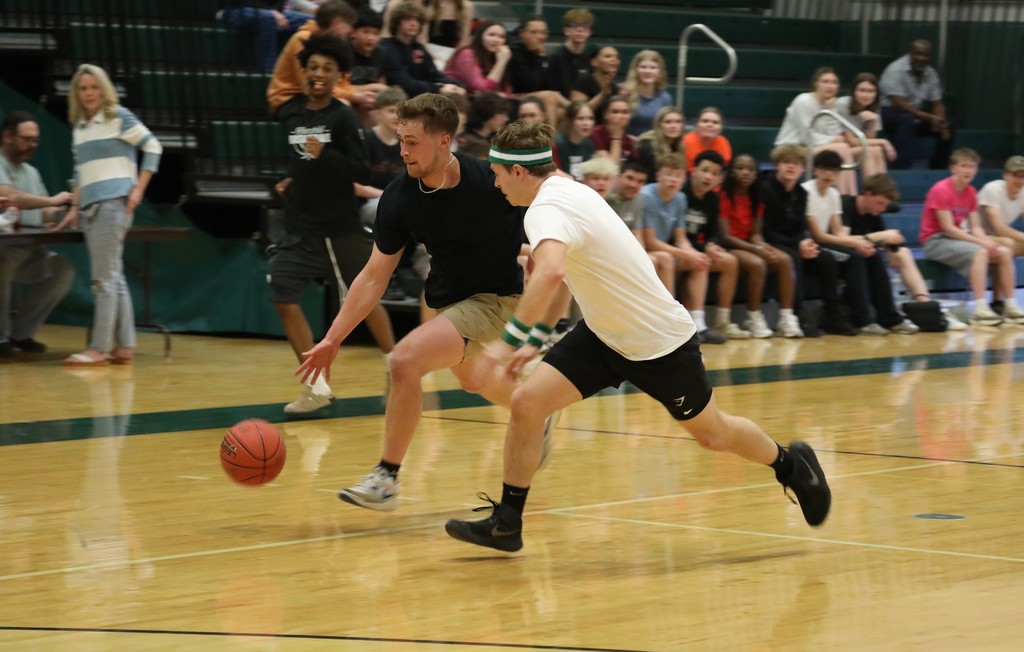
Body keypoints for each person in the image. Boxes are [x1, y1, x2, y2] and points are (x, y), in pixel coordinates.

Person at [442, 120, 831, 553]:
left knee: (713, 435)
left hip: (657, 342)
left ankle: (792, 466)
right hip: (603, 334)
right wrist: (540, 335)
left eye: (497, 175)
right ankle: (507, 523)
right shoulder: (565, 188)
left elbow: (549, 271)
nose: (495, 185)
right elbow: (563, 273)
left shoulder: (545, 209)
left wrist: (508, 342)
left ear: (518, 172)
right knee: (527, 403)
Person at [297, 93, 562, 511]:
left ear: (444, 141)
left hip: (497, 298)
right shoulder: (399, 197)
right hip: (448, 300)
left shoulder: (492, 181)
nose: (403, 151)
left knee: (404, 360)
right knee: (474, 381)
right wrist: (332, 339)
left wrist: (544, 263)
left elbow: (549, 208)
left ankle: (386, 476)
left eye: (413, 142)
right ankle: (535, 411)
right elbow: (372, 276)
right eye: (400, 140)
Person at [272, 35, 397, 415]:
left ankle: (396, 365)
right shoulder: (291, 112)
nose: (319, 74)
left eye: (327, 69)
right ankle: (315, 387)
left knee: (363, 299)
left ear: (339, 75)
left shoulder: (342, 117)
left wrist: (324, 154)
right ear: (304, 73)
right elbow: (299, 160)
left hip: (336, 226)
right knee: (283, 295)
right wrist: (288, 179)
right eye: (313, 68)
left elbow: (359, 169)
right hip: (299, 222)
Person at [53, 64, 162, 366]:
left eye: (94, 87)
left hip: (112, 204)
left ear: (104, 89)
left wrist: (138, 189)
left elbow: (153, 147)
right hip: (91, 205)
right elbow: (80, 170)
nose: (89, 93)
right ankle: (125, 346)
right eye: (83, 88)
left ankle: (98, 347)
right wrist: (76, 205)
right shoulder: (81, 126)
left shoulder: (118, 117)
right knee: (114, 277)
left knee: (103, 279)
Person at [802, 150, 917, 335]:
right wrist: (862, 241)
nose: (829, 174)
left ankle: (891, 318)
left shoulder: (833, 194)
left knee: (872, 256)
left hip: (828, 244)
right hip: (812, 247)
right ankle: (863, 320)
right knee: (854, 257)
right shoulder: (807, 191)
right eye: (825, 169)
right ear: (815, 170)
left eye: (834, 171)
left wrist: (862, 242)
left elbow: (839, 231)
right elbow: (819, 236)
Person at [840, 173, 967, 331]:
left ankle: (925, 307)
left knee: (902, 253)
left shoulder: (873, 213)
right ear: (867, 194)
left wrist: (893, 245)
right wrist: (877, 237)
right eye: (880, 203)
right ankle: (872, 319)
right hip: (842, 254)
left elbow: (882, 240)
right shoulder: (846, 204)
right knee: (870, 259)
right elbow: (841, 239)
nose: (882, 209)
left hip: (862, 254)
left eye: (884, 205)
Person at [759, 144, 856, 337]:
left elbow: (799, 228)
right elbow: (766, 230)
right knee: (794, 257)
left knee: (826, 258)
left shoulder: (802, 194)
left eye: (796, 164)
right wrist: (798, 244)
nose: (791, 167)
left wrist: (804, 242)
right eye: (786, 162)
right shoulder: (766, 189)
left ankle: (832, 315)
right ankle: (796, 317)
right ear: (778, 165)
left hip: (791, 242)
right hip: (768, 241)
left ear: (803, 169)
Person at [919, 148, 1024, 325]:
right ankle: (980, 308)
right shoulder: (941, 189)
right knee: (980, 252)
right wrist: (982, 243)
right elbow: (949, 228)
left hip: (956, 238)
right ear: (953, 168)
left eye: (972, 166)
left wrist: (987, 241)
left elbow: (975, 226)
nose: (968, 170)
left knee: (1004, 251)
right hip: (935, 240)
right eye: (963, 166)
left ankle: (1010, 305)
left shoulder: (970, 192)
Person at [0, 112, 75, 357]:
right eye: (26, 139)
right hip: (4, 247)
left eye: (36, 140)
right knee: (2, 264)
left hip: (30, 249)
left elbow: (45, 212)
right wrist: (50, 199)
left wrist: (67, 208)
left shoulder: (31, 172)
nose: (32, 145)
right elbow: (11, 195)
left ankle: (20, 334)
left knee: (62, 270)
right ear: (7, 137)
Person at [640, 152, 732, 344]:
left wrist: (696, 255)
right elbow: (651, 241)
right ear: (658, 175)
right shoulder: (647, 196)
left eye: (677, 175)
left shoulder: (680, 198)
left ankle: (699, 325)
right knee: (665, 258)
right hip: (648, 250)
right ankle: (667, 322)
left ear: (683, 178)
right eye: (668, 174)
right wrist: (685, 253)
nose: (673, 180)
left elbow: (681, 238)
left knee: (700, 263)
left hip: (666, 249)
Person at [717, 154, 796, 338]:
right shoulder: (723, 195)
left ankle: (787, 317)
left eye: (750, 169)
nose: (745, 173)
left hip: (749, 244)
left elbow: (756, 233)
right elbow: (725, 236)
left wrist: (763, 246)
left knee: (784, 259)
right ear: (731, 171)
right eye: (740, 168)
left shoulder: (758, 195)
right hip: (730, 245)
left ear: (756, 173)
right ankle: (754, 318)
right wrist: (756, 249)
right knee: (757, 263)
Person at [266, 0, 359, 116]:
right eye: (349, 24)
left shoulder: (337, 43)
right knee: (342, 106)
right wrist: (353, 96)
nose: (351, 32)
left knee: (369, 109)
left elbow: (342, 84)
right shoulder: (303, 39)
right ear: (337, 22)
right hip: (289, 99)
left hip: (321, 95)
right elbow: (309, 86)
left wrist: (359, 96)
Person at [775, 67, 857, 195]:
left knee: (851, 149)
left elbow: (833, 132)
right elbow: (806, 137)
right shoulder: (803, 100)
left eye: (834, 82)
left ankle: (849, 196)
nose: (830, 86)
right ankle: (845, 197)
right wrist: (833, 139)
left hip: (814, 146)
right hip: (791, 148)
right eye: (825, 82)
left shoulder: (829, 104)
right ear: (816, 84)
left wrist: (831, 110)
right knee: (842, 148)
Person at [879, 40, 953, 170]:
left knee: (949, 125)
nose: (922, 58)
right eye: (918, 54)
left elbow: (937, 102)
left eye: (926, 55)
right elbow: (899, 104)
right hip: (889, 112)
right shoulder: (895, 69)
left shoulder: (931, 73)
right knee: (906, 120)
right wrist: (930, 118)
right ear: (910, 54)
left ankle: (939, 168)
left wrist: (940, 120)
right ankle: (901, 168)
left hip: (915, 112)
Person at [608, 160, 675, 295]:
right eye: (630, 178)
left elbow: (637, 233)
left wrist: (640, 255)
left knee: (665, 258)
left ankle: (669, 311)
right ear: (618, 177)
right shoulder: (605, 197)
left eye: (640, 181)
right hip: (609, 251)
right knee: (651, 261)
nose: (634, 185)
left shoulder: (639, 199)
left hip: (628, 251)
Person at [378, 2, 465, 98]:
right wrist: (439, 88)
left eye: (417, 20)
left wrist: (457, 85)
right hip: (397, 98)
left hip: (420, 97)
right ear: (397, 23)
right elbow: (406, 84)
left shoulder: (419, 47)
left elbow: (434, 74)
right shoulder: (387, 47)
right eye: (408, 19)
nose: (413, 23)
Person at [355, 85, 407, 226]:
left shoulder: (407, 143)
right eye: (391, 111)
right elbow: (354, 186)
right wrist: (387, 196)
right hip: (370, 203)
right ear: (378, 114)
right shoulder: (365, 140)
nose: (397, 116)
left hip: (399, 201)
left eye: (400, 112)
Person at [507, 16, 569, 126]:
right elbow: (529, 84)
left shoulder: (544, 56)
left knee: (562, 112)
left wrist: (542, 59)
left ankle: (574, 111)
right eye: (534, 32)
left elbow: (551, 86)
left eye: (543, 33)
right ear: (522, 33)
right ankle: (550, 141)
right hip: (514, 97)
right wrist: (540, 57)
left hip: (537, 98)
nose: (539, 37)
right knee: (549, 97)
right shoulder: (515, 53)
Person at [217, 1, 312, 72]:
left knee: (312, 21)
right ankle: (268, 74)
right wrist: (271, 12)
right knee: (269, 18)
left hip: (270, 13)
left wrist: (275, 12)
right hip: (234, 10)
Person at [834, 73, 896, 178]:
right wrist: (884, 142)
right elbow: (851, 141)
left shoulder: (874, 107)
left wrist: (873, 121)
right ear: (854, 91)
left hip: (854, 148)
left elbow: (870, 139)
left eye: (871, 91)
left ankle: (879, 191)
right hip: (838, 148)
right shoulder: (843, 104)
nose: (866, 95)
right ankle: (871, 190)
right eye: (862, 90)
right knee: (869, 151)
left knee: (876, 150)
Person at [443, 20, 512, 97]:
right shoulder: (466, 54)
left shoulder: (497, 56)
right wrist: (501, 63)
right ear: (480, 36)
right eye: (491, 35)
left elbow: (507, 91)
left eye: (501, 37)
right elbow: (481, 88)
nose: (496, 40)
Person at [978, 155, 1024, 259]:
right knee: (1008, 244)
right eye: (1016, 175)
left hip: (996, 238)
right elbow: (999, 229)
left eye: (1023, 176)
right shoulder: (993, 189)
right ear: (1006, 175)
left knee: (1008, 244)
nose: (1020, 181)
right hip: (975, 235)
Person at [546, 8, 596, 99]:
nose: (580, 30)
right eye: (574, 25)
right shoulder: (555, 57)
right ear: (566, 30)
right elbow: (552, 92)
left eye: (585, 26)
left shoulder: (589, 59)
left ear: (589, 32)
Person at [620, 49, 672, 136]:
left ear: (659, 72)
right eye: (643, 67)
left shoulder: (665, 98)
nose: (647, 71)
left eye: (653, 68)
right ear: (635, 70)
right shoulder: (625, 94)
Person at [570, 45, 622, 122]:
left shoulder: (614, 88)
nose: (614, 60)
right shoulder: (584, 81)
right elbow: (576, 113)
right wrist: (603, 94)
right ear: (594, 62)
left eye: (616, 57)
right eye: (608, 56)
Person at [635, 106, 684, 180]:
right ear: (659, 125)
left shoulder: (679, 146)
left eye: (678, 122)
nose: (673, 126)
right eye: (668, 122)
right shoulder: (647, 147)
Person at [553, 101, 595, 180]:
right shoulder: (558, 144)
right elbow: (552, 172)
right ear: (570, 121)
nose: (586, 123)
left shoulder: (589, 144)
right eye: (580, 118)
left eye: (590, 118)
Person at [683, 107, 732, 173]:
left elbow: (723, 171)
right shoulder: (685, 142)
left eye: (715, 122)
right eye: (705, 121)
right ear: (696, 124)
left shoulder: (724, 143)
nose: (710, 125)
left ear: (721, 127)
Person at [589, 96, 636, 164]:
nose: (620, 116)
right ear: (605, 114)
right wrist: (616, 137)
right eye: (615, 112)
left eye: (625, 112)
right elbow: (610, 167)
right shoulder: (595, 134)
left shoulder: (629, 141)